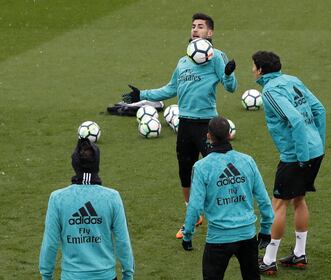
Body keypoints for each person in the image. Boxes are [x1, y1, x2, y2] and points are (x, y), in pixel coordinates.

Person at [122, 13, 238, 239]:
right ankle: (192, 216)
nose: (195, 30)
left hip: (207, 124)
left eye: (201, 27)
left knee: (218, 171)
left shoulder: (217, 57)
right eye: (193, 26)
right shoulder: (183, 60)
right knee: (185, 172)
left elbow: (230, 87)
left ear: (210, 33)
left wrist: (229, 74)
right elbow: (170, 88)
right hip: (185, 124)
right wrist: (142, 94)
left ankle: (224, 216)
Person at [251, 51, 326, 275]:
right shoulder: (293, 80)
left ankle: (269, 260)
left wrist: (302, 155)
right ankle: (299, 254)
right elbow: (319, 109)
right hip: (315, 150)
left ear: (261, 70)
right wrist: (317, 145)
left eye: (253, 66)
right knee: (299, 199)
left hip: (296, 156)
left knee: (279, 205)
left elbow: (295, 120)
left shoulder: (270, 91)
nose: (252, 70)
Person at [180, 116, 274, 280]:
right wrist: (265, 230)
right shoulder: (247, 161)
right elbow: (264, 200)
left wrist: (187, 235)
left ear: (209, 136)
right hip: (247, 236)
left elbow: (195, 207)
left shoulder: (202, 167)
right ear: (230, 134)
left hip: (218, 239)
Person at [39, 138, 134, 280]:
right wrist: (128, 274)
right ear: (97, 164)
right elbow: (123, 241)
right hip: (106, 276)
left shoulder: (57, 199)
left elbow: (50, 243)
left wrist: (46, 276)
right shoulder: (112, 197)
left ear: (74, 164)